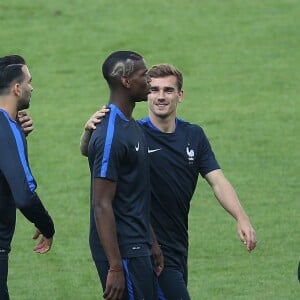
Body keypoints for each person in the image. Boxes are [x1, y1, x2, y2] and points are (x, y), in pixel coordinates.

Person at [80, 64, 256, 300]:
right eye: (154, 89)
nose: (160, 96)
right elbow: (94, 152)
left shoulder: (194, 135)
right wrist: (88, 131)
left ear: (180, 95)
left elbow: (217, 181)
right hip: (148, 248)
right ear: (146, 93)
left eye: (168, 90)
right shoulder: (134, 133)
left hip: (178, 246)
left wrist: (241, 217)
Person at [87, 51, 158, 300]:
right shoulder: (111, 135)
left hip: (138, 244)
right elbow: (101, 203)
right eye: (143, 75)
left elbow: (134, 193)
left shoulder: (132, 127)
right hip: (123, 251)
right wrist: (115, 267)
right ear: (126, 81)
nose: (149, 79)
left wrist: (152, 241)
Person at [0, 55, 55, 300]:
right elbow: (23, 194)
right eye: (29, 82)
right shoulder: (7, 128)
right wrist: (47, 226)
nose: (32, 87)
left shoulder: (12, 128)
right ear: (16, 88)